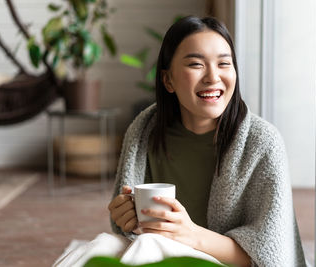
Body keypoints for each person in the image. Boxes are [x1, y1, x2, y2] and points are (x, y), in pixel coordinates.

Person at [108, 15, 306, 267]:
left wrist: (190, 235)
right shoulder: (143, 133)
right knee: (100, 247)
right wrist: (125, 217)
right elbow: (133, 233)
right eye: (196, 65)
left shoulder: (262, 143)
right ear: (168, 80)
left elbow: (271, 254)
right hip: (160, 257)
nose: (213, 77)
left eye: (224, 63)